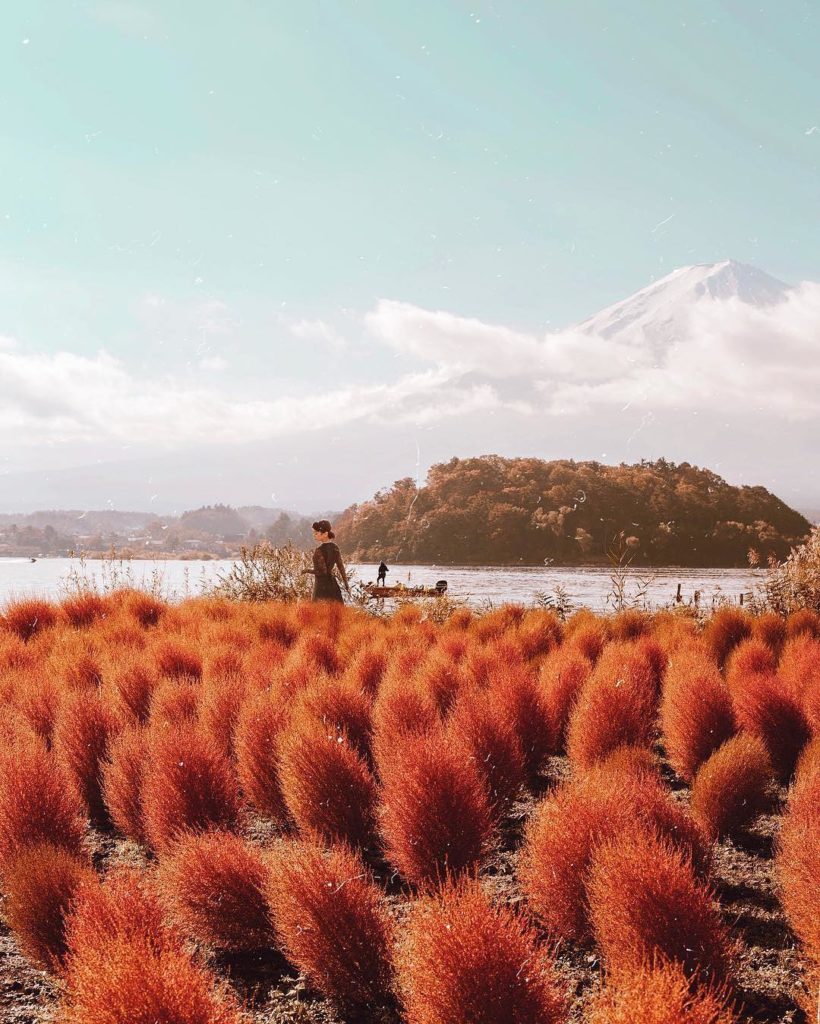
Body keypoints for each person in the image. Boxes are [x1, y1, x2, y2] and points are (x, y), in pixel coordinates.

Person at [303, 520, 351, 603]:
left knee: (320, 613)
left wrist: (306, 570)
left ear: (325, 534)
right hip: (333, 585)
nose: (314, 535)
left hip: (321, 587)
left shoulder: (319, 550)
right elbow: (341, 567)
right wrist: (346, 584)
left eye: (316, 533)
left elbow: (322, 572)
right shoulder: (335, 547)